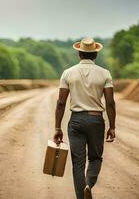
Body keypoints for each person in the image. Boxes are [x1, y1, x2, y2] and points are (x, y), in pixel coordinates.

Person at [53, 37, 116, 199]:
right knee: (95, 158)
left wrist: (57, 127)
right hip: (96, 121)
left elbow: (61, 103)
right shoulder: (105, 73)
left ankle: (81, 197)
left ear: (79, 54)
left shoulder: (68, 73)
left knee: (77, 164)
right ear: (95, 55)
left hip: (76, 122)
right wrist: (112, 126)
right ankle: (89, 184)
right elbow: (110, 103)